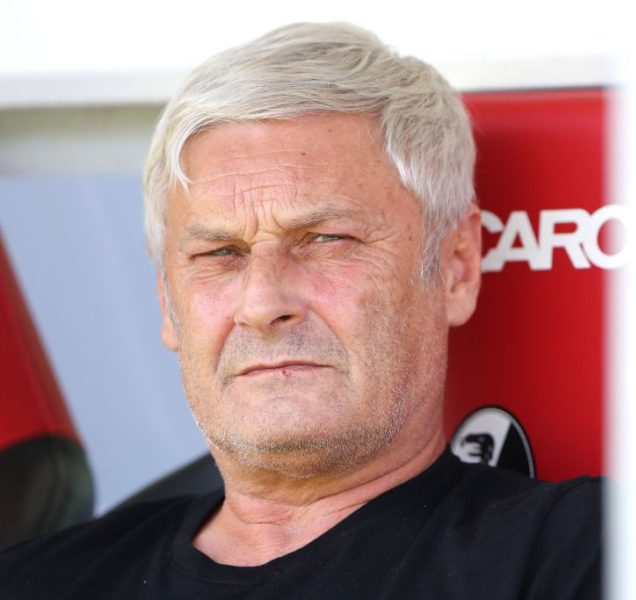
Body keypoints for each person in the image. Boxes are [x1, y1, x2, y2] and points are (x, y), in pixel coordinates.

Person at [0, 22, 601, 599]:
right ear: (166, 299)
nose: (261, 304)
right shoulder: (32, 582)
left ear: (456, 266)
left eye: (325, 240)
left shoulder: (606, 555)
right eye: (220, 252)